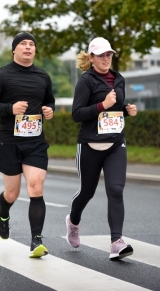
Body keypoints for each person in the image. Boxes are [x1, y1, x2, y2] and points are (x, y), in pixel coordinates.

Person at [0, 32, 55, 258]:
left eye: (32, 44)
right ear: (14, 49)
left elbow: (48, 99)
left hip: (35, 141)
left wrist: (48, 109)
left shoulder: (43, 76)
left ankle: (36, 241)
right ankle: (3, 212)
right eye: (23, 44)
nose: (29, 47)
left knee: (36, 186)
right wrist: (9, 109)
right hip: (9, 142)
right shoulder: (2, 75)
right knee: (12, 193)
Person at [65, 37, 137, 260]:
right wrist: (101, 105)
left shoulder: (119, 79)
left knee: (115, 190)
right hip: (90, 144)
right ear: (91, 58)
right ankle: (73, 221)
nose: (106, 59)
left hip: (116, 143)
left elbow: (114, 109)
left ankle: (117, 242)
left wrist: (126, 109)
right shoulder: (85, 82)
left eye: (109, 55)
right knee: (87, 191)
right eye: (101, 55)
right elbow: (77, 114)